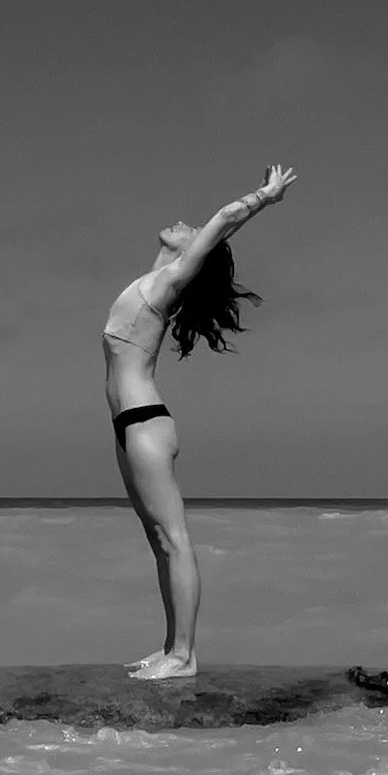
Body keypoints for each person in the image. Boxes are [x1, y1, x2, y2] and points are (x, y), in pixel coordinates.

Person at [101, 165, 298, 680]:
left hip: (145, 423)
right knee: (156, 540)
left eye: (194, 233)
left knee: (174, 538)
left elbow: (225, 218)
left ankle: (185, 656)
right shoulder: (154, 280)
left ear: (197, 254)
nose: (186, 223)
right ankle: (169, 646)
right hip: (128, 425)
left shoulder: (170, 282)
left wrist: (266, 196)